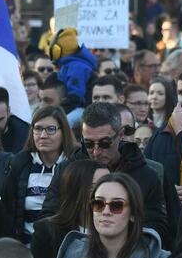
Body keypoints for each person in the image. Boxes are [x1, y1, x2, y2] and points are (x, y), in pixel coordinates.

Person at [41, 103, 172, 248]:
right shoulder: (67, 170)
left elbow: (157, 226)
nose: (96, 152)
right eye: (89, 144)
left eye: (104, 143)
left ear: (121, 135)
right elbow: (49, 215)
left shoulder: (146, 175)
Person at [0, 105, 76, 242]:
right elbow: (8, 213)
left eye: (51, 129)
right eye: (38, 128)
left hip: (63, 246)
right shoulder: (18, 165)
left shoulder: (75, 165)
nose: (43, 135)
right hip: (25, 246)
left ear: (63, 131)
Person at [30, 159, 109, 258]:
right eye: (96, 187)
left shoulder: (117, 228)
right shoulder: (47, 230)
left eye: (109, 186)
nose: (106, 193)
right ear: (76, 190)